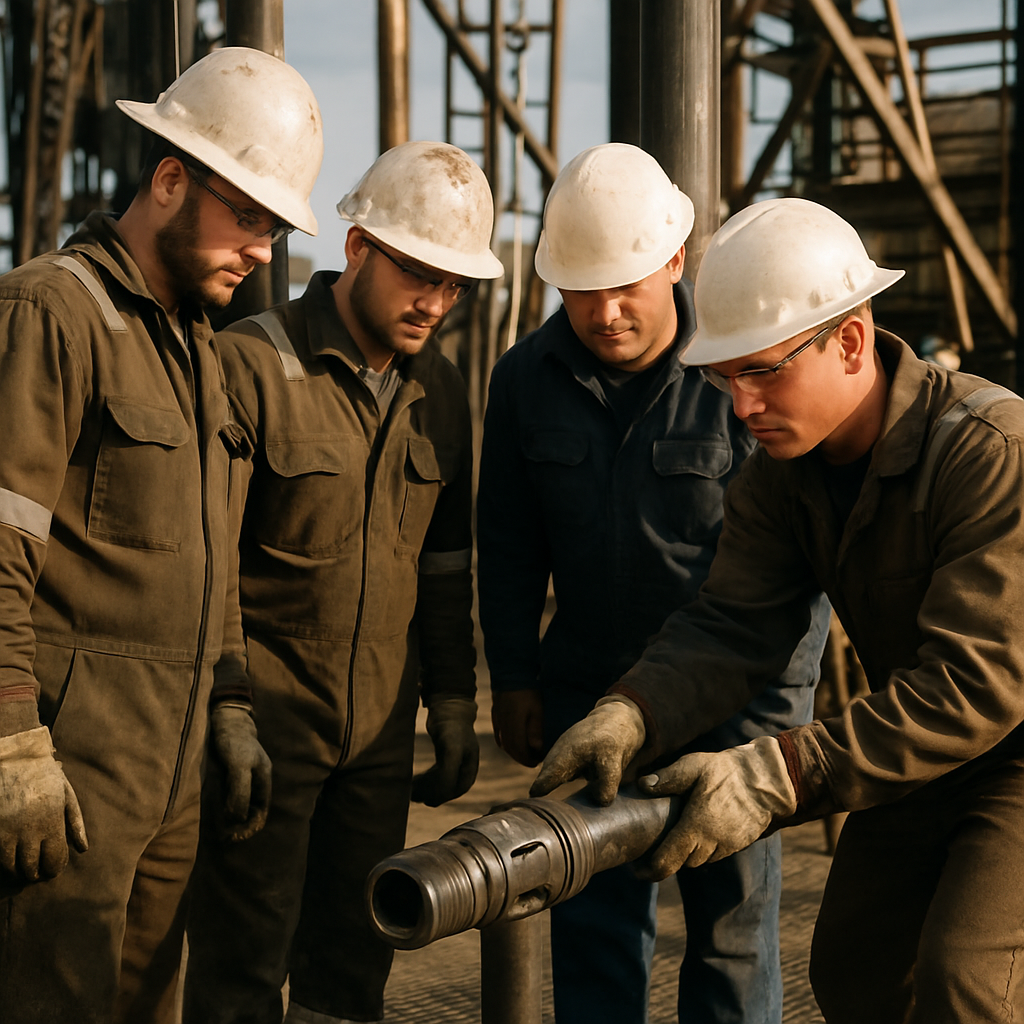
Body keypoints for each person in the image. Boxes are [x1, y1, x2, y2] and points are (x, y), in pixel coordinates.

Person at [532, 196, 1024, 1024]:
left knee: (968, 980)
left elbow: (978, 683)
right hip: (918, 754)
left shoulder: (990, 450)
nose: (741, 406)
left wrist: (777, 773)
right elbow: (733, 624)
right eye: (726, 378)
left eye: (763, 370)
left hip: (1013, 751)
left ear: (852, 341)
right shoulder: (782, 479)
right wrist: (630, 711)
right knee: (854, 970)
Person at [0, 46, 323, 1024]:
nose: (263, 247)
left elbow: (212, 552)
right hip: (73, 766)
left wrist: (229, 704)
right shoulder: (55, 310)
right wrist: (14, 740)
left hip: (172, 775)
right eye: (249, 215)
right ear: (171, 179)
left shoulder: (198, 353)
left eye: (274, 224)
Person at [477, 145, 829, 1024]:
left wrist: (775, 740)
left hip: (733, 706)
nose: (604, 311)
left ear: (675, 260)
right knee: (592, 932)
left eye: (625, 283)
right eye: (581, 288)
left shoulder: (739, 374)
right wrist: (515, 680)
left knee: (732, 940)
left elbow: (798, 568)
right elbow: (509, 543)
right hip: (588, 693)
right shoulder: (525, 378)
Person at [182, 140, 503, 1024]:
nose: (435, 302)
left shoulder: (437, 390)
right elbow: (208, 563)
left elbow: (444, 566)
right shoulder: (251, 362)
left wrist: (448, 700)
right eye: (418, 274)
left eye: (453, 286)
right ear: (358, 247)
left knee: (355, 968)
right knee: (242, 967)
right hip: (264, 738)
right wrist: (229, 708)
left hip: (377, 745)